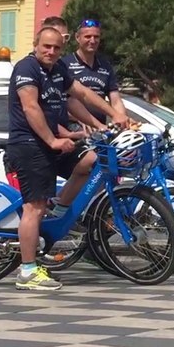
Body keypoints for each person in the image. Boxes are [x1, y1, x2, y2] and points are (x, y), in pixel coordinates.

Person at [7, 26, 120, 291]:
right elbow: (31, 107)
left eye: (57, 48)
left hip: (52, 140)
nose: (51, 51)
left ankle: (59, 211)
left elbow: (80, 94)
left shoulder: (57, 70)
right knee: (34, 206)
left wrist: (110, 116)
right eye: (46, 46)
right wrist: (52, 140)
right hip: (30, 144)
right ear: (36, 45)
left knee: (90, 161)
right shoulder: (27, 69)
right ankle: (27, 272)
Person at [61, 18, 129, 127]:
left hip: (100, 129)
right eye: (87, 37)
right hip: (74, 127)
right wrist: (81, 120)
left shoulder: (105, 66)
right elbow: (63, 102)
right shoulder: (64, 64)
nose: (92, 41)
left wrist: (121, 119)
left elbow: (115, 100)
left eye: (96, 37)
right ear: (77, 38)